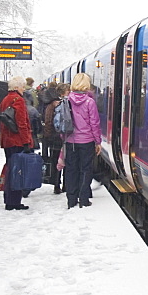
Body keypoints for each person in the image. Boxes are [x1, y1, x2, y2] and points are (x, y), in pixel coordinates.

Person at [63, 73, 101, 209]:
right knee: (85, 169)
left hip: (70, 141)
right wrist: (98, 142)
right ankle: (83, 199)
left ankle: (71, 200)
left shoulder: (66, 101)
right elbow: (94, 124)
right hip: (86, 141)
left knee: (71, 170)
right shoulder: (90, 102)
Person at [0, 75, 33, 211]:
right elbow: (22, 123)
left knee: (10, 168)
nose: (24, 89)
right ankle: (14, 201)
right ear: (17, 87)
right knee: (18, 171)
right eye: (22, 86)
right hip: (17, 141)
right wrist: (27, 142)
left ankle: (8, 198)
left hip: (7, 140)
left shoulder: (5, 99)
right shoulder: (18, 100)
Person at [42, 84, 66, 194]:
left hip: (53, 138)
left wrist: (47, 138)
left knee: (56, 161)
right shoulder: (60, 105)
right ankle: (64, 185)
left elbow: (47, 122)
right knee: (65, 161)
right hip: (61, 137)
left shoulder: (49, 105)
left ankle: (56, 184)